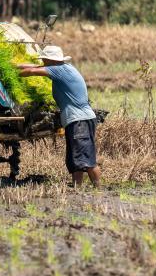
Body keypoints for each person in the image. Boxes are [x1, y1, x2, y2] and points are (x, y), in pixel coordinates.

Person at [17, 46, 101, 188]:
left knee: (87, 159)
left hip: (80, 120)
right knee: (76, 158)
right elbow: (35, 67)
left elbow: (32, 71)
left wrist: (11, 75)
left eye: (44, 59)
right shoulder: (63, 68)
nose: (43, 62)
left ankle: (98, 189)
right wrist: (14, 66)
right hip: (77, 120)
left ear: (51, 60)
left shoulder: (59, 70)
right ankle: (77, 187)